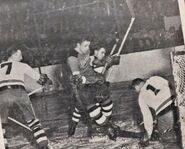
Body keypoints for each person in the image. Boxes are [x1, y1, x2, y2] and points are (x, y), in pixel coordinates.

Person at [67, 39, 120, 141]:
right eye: (86, 45)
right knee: (89, 108)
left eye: (89, 45)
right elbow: (79, 78)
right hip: (80, 88)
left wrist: (108, 61)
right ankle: (104, 127)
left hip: (92, 86)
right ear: (78, 44)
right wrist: (96, 77)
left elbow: (96, 66)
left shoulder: (85, 53)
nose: (88, 48)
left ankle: (106, 123)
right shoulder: (73, 58)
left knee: (107, 103)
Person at [0, 45, 51, 149]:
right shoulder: (22, 65)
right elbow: (40, 80)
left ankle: (4, 145)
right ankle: (44, 145)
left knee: (1, 124)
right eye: (20, 55)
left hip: (2, 94)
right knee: (33, 121)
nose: (21, 58)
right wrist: (48, 81)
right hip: (19, 93)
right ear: (14, 55)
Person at [131, 76, 177, 147]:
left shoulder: (141, 97)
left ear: (137, 86)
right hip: (176, 103)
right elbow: (169, 84)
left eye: (134, 89)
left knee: (167, 139)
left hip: (165, 112)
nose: (136, 91)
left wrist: (148, 134)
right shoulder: (154, 78)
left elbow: (147, 117)